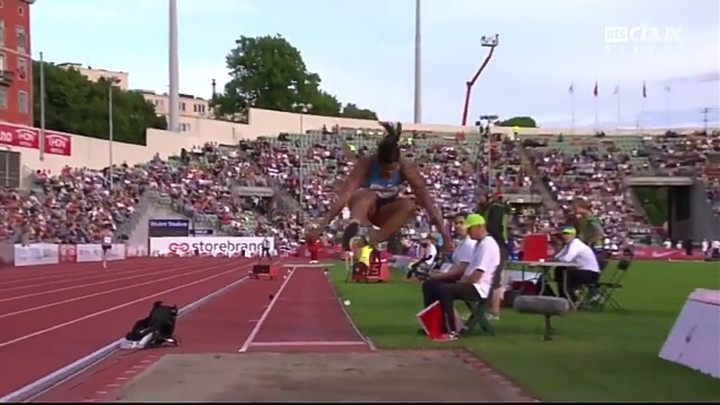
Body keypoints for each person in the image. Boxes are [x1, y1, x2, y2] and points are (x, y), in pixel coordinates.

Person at [306, 121, 452, 253]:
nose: (388, 174)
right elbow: (345, 195)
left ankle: (373, 240)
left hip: (385, 212)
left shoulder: (407, 168)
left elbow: (428, 202)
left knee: (410, 206)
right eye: (384, 170)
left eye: (391, 171)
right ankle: (355, 230)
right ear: (378, 161)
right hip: (364, 208)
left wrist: (445, 236)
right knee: (366, 195)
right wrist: (321, 227)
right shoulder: (366, 163)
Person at [435, 214, 500, 341]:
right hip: (476, 285)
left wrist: (462, 282)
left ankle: (451, 330)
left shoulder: (487, 245)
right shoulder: (480, 244)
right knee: (440, 287)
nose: (468, 232)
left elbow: (478, 274)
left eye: (470, 229)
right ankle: (445, 326)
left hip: (480, 288)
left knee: (445, 290)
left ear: (479, 227)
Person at [540, 226, 600, 303]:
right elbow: (557, 256)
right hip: (583, 271)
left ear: (574, 235)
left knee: (565, 274)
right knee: (559, 270)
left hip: (590, 273)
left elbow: (566, 259)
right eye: (563, 234)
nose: (564, 236)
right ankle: (563, 297)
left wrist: (555, 259)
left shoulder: (576, 244)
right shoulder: (569, 245)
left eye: (567, 234)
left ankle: (570, 299)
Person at [478, 190, 510, 320]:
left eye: (480, 196)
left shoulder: (495, 208)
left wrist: (488, 239)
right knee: (487, 278)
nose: (478, 199)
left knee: (494, 279)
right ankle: (483, 311)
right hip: (495, 244)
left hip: (496, 245)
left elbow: (494, 227)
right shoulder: (491, 208)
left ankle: (494, 312)